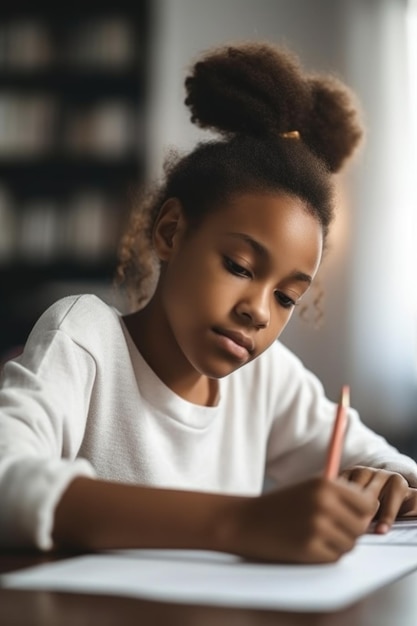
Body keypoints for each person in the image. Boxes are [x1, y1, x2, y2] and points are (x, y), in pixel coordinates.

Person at [1, 41, 417, 565]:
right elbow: (6, 479)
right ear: (172, 232)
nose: (258, 311)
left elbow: (387, 463)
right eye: (240, 267)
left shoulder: (266, 381)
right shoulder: (86, 338)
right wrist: (239, 522)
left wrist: (388, 477)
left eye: (287, 296)